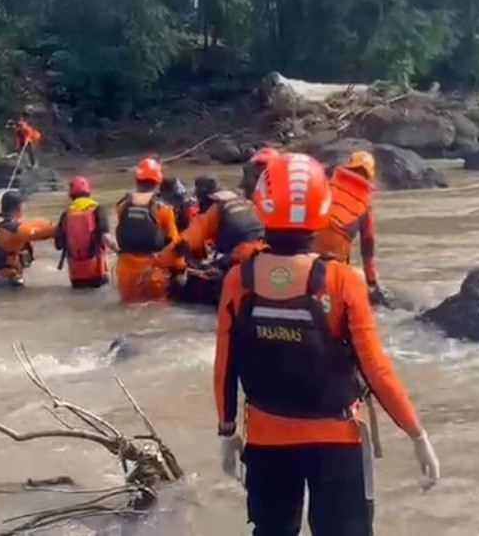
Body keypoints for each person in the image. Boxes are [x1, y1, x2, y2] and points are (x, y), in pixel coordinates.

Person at [214, 152, 439, 536]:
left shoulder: (239, 279)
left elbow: (225, 364)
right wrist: (416, 433)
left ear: (263, 203)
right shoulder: (341, 280)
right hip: (338, 441)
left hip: (267, 439)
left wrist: (227, 430)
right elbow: (375, 367)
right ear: (323, 204)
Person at [155, 175, 265, 306]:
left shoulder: (213, 211)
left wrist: (157, 262)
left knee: (179, 289)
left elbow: (182, 244)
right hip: (265, 255)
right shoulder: (248, 204)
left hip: (243, 260)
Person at [114, 158, 183, 303]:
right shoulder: (163, 208)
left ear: (136, 180)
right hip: (153, 270)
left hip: (125, 271)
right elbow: (175, 244)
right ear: (158, 182)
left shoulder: (122, 206)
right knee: (156, 312)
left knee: (128, 308)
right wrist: (180, 270)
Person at [314, 151, 379, 296]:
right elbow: (367, 245)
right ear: (369, 175)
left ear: (349, 167)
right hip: (336, 260)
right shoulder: (365, 203)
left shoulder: (328, 184)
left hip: (309, 251)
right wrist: (372, 282)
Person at [0, 191, 57, 289]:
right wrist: (60, 228)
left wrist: (47, 224)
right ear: (19, 207)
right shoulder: (11, 229)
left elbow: (27, 226)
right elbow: (35, 233)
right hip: (3, 283)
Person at [55, 176, 118, 289]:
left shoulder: (65, 215)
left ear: (71, 195)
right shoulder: (97, 209)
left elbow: (58, 245)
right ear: (88, 191)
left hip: (76, 277)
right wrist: (121, 252)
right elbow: (106, 238)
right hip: (97, 273)